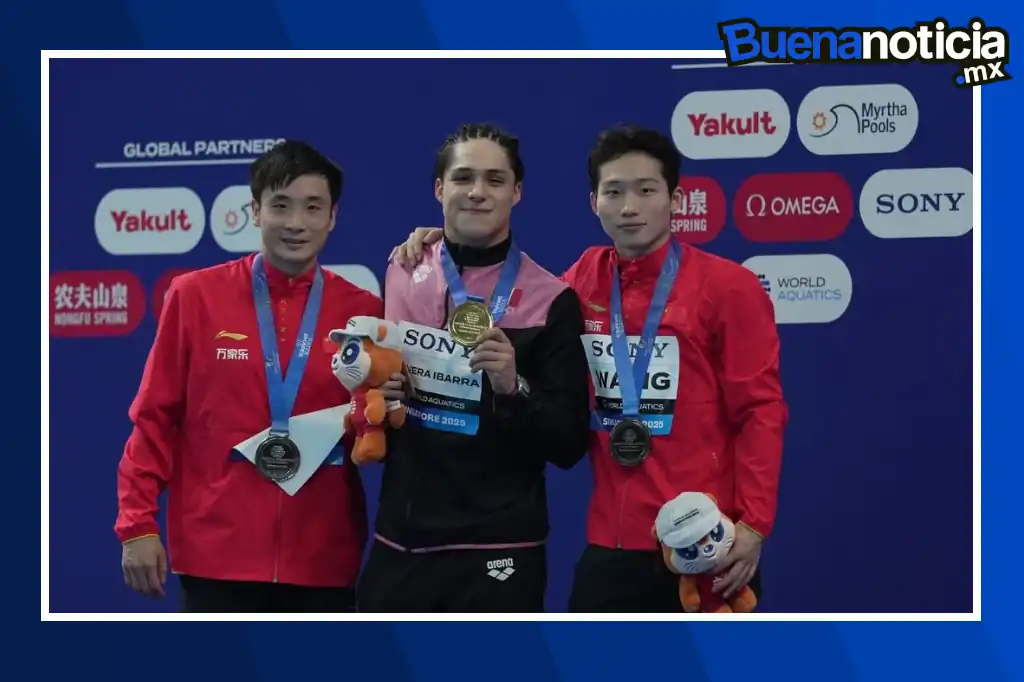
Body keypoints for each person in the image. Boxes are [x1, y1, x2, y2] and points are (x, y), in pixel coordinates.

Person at [389, 124, 788, 612]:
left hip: (705, 537)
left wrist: (753, 524)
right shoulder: (581, 282)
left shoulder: (730, 287)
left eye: (646, 190)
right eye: (614, 192)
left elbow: (761, 411)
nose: (629, 207)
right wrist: (437, 245)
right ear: (593, 202)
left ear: (676, 200)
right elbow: (510, 288)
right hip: (611, 543)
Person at [115, 140, 383, 613]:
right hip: (215, 561)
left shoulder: (363, 312)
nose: (296, 223)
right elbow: (154, 417)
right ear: (255, 211)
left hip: (322, 560)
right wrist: (137, 524)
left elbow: (377, 424)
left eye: (312, 207)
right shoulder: (194, 296)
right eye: (280, 205)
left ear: (333, 216)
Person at [355, 123, 592, 613]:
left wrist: (513, 386)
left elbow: (569, 444)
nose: (478, 192)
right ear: (440, 189)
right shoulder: (403, 269)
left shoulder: (552, 300)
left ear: (517, 192)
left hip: (500, 546)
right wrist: (385, 390)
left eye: (495, 180)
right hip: (404, 539)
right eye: (463, 178)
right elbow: (376, 390)